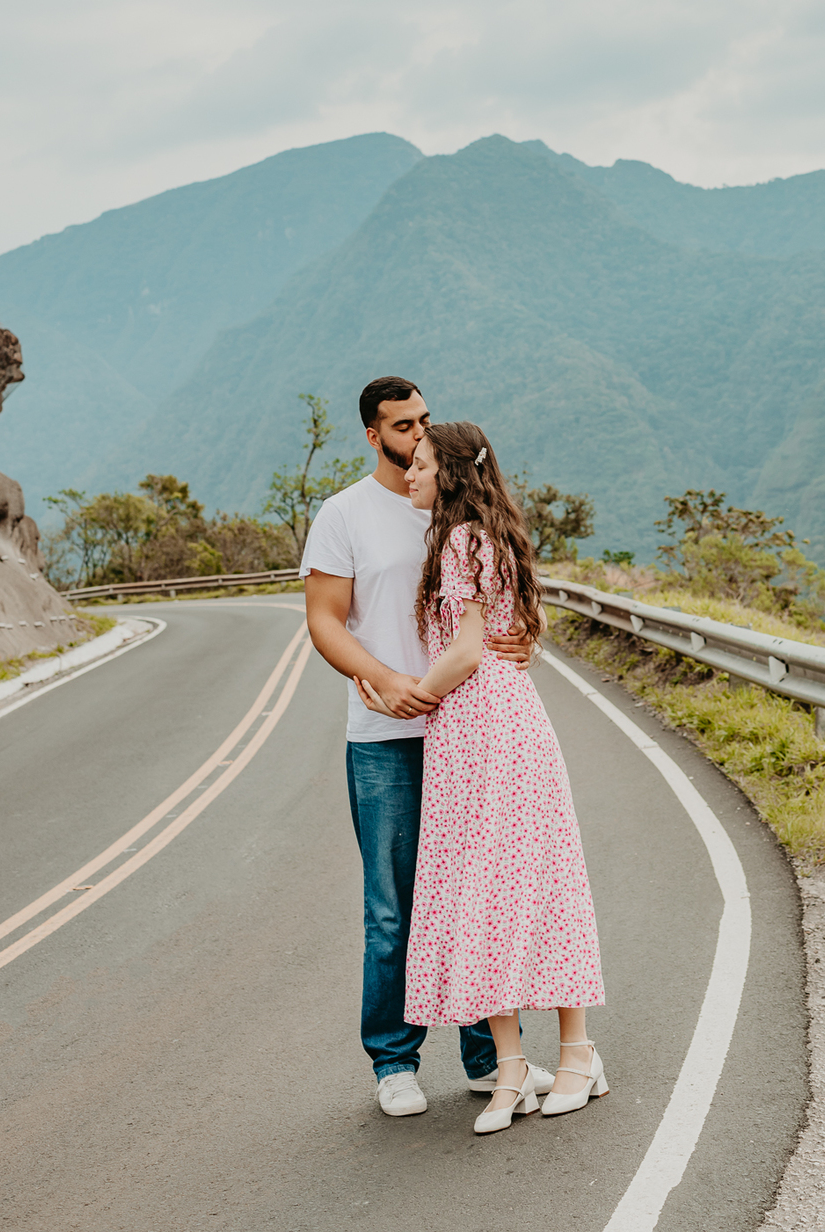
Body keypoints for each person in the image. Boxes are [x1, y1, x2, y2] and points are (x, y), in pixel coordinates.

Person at [302, 377, 552, 1119]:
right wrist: (385, 678)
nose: (418, 435)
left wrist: (521, 642)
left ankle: (489, 1058)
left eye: (425, 421)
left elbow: (497, 602)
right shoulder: (344, 515)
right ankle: (394, 1060)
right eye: (402, 426)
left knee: (477, 893)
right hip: (387, 734)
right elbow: (324, 619)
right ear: (372, 435)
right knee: (394, 909)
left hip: (470, 734)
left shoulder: (457, 509)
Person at [359, 421, 607, 1136]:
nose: (410, 473)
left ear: (454, 474)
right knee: (496, 889)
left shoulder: (463, 538)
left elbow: (468, 649)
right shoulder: (463, 534)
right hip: (476, 728)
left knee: (490, 886)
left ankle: (567, 1058)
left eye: (423, 464)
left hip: (484, 725)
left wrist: (406, 695)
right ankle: (522, 1068)